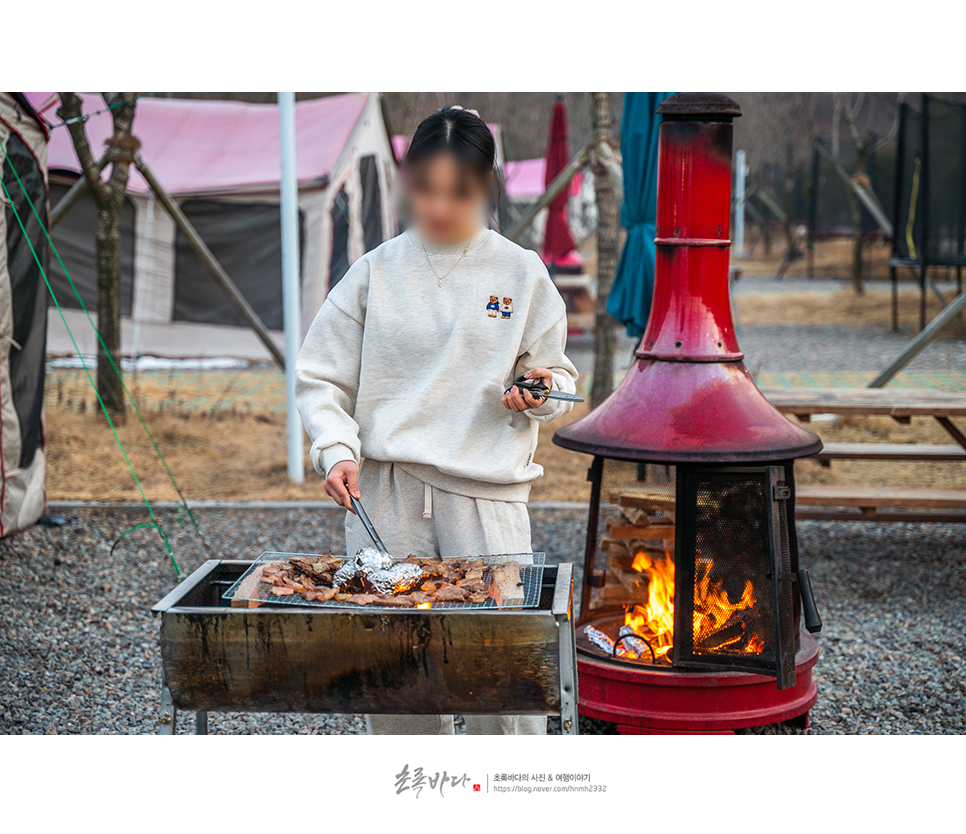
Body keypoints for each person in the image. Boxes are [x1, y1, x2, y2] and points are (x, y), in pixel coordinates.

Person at [295, 105, 578, 735]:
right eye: (426, 189)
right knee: (395, 680)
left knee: (504, 683)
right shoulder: (375, 271)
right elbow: (321, 376)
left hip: (488, 500)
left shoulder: (520, 272)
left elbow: (559, 380)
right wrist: (336, 449)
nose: (440, 206)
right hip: (387, 502)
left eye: (460, 191)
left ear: (486, 187)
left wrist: (540, 391)